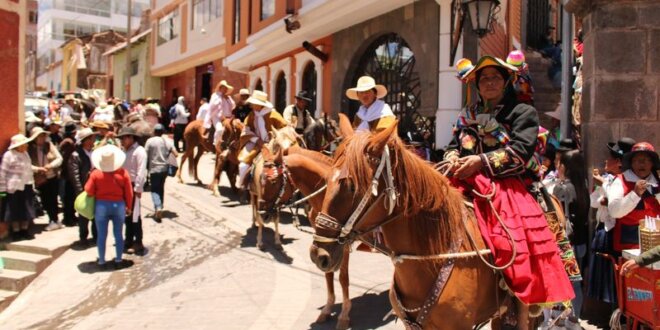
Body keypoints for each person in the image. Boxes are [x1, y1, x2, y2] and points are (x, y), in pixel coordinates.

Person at [444, 56, 574, 329]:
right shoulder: (466, 115)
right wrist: (454, 155)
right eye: (484, 78)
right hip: (465, 179)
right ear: (476, 85)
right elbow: (453, 144)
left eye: (495, 77)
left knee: (513, 235)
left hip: (506, 182)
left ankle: (517, 296)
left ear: (505, 82)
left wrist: (480, 162)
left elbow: (521, 152)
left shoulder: (522, 112)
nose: (489, 82)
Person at [588, 137, 635, 303]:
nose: (606, 161)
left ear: (619, 162)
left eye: (609, 158)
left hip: (615, 233)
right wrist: (603, 194)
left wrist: (605, 193)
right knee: (604, 275)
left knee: (614, 276)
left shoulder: (625, 183)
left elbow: (616, 207)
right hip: (603, 231)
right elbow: (594, 201)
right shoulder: (607, 180)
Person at [551, 150, 589, 328]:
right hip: (580, 242)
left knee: (563, 282)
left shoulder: (562, 187)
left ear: (564, 166)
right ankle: (574, 320)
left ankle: (559, 320)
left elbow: (556, 218)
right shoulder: (583, 187)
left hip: (565, 244)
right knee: (575, 283)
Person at [85, 145, 133, 270]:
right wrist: (129, 207)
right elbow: (129, 192)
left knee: (101, 234)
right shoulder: (123, 173)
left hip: (101, 206)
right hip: (118, 205)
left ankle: (101, 261)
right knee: (118, 233)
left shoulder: (95, 173)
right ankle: (118, 259)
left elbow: (88, 191)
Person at [607, 142, 660, 252]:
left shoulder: (657, 183)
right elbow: (614, 211)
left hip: (655, 247)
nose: (642, 164)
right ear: (631, 163)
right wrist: (635, 194)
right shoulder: (620, 181)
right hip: (628, 247)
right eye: (637, 160)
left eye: (646, 160)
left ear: (652, 164)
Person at [237, 90, 287, 189]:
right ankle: (244, 186)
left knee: (281, 164)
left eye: (254, 103)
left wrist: (274, 140)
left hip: (273, 145)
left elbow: (284, 128)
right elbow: (246, 130)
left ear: (260, 104)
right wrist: (256, 140)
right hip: (255, 143)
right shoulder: (252, 115)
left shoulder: (274, 114)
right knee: (243, 165)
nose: (251, 105)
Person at [0, 134, 37, 241]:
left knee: (26, 210)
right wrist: (2, 190)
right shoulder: (9, 155)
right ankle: (16, 232)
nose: (26, 146)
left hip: (27, 185)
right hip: (13, 188)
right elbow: (2, 173)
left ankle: (24, 230)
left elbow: (29, 168)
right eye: (24, 144)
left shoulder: (25, 154)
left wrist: (38, 169)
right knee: (14, 211)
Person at [118, 127, 147, 255]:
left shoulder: (139, 151)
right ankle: (128, 239)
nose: (121, 141)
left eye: (123, 138)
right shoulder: (125, 151)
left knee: (135, 215)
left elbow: (141, 171)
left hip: (134, 185)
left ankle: (138, 241)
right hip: (125, 185)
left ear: (130, 137)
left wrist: (138, 189)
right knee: (127, 215)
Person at [28, 127, 63, 231]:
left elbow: (59, 158)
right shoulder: (30, 149)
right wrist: (38, 169)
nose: (42, 138)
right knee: (45, 200)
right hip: (40, 178)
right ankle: (53, 220)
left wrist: (50, 165)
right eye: (40, 136)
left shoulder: (49, 145)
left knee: (53, 199)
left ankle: (54, 220)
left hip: (52, 176)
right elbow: (27, 164)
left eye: (43, 136)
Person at [68, 128, 98, 247]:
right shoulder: (76, 155)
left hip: (95, 187)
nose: (92, 141)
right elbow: (74, 175)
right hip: (84, 189)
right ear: (85, 141)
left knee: (95, 213)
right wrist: (80, 191)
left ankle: (96, 236)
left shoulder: (95, 153)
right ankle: (83, 237)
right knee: (83, 214)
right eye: (90, 139)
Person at [144, 124, 178, 222]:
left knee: (154, 189)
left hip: (154, 169)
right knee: (161, 187)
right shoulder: (167, 141)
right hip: (165, 169)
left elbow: (145, 155)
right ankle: (160, 207)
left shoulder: (150, 141)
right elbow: (176, 154)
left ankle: (158, 207)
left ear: (154, 131)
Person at [204, 80, 236, 145]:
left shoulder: (228, 97)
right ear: (220, 88)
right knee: (219, 129)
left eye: (226, 88)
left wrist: (228, 99)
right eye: (224, 88)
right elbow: (213, 106)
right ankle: (217, 144)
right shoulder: (215, 95)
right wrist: (220, 98)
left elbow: (233, 106)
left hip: (228, 117)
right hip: (217, 116)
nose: (225, 89)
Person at [59, 122, 78, 226]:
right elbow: (66, 159)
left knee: (70, 197)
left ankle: (71, 216)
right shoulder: (68, 142)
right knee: (69, 197)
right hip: (67, 174)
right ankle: (68, 217)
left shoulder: (68, 141)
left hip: (68, 173)